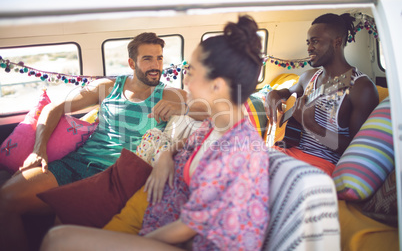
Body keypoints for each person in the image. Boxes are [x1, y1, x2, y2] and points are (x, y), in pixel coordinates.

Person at [40, 15, 270, 251]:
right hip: (155, 217)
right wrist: (166, 156)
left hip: (191, 242)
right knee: (61, 223)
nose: (185, 80)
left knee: (57, 240)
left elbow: (191, 227)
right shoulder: (219, 125)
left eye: (191, 72)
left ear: (217, 85)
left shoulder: (239, 150)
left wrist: (132, 243)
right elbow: (188, 143)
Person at [0, 32, 207, 251]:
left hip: (113, 177)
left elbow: (211, 111)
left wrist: (182, 109)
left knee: (61, 229)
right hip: (75, 164)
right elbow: (54, 108)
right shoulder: (107, 87)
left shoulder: (170, 95)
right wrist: (38, 151)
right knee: (5, 201)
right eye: (147, 58)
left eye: (159, 58)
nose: (156, 65)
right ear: (131, 62)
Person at [265, 13, 379, 175]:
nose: (309, 48)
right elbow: (287, 92)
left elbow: (357, 149)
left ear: (337, 42)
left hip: (322, 163)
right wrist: (273, 94)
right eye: (308, 42)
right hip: (291, 152)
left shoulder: (361, 87)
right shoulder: (308, 76)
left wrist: (311, 125)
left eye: (315, 41)